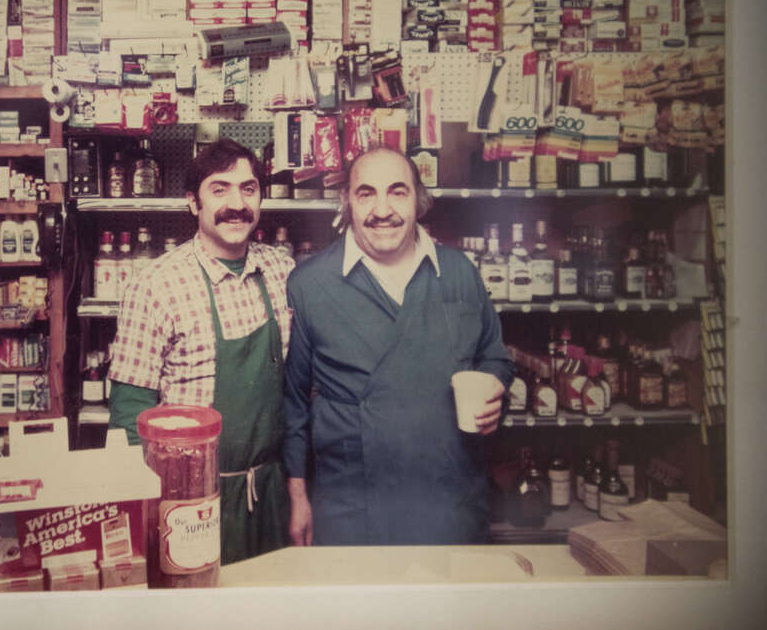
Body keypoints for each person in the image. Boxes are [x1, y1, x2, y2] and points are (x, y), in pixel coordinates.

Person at [283, 146, 514, 546]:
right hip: (353, 509)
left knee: (447, 609)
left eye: (397, 191)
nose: (382, 209)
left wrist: (495, 385)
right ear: (348, 202)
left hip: (449, 498)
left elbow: (495, 357)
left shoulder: (459, 272)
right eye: (366, 193)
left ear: (418, 200)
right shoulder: (310, 284)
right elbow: (293, 405)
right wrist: (298, 497)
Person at [108, 138, 294, 564]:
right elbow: (128, 415)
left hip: (271, 490)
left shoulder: (284, 272)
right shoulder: (156, 286)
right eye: (219, 189)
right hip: (188, 503)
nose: (237, 203)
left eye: (248, 188)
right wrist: (149, 511)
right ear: (193, 203)